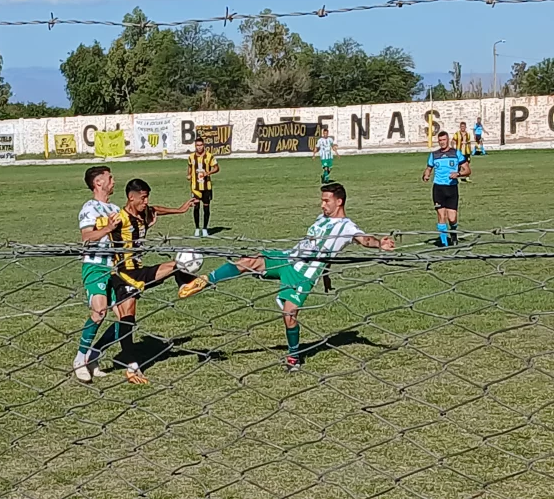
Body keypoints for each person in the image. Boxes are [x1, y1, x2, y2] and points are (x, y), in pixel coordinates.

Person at [179, 183, 395, 372]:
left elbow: (364, 239)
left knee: (289, 314)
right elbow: (322, 248)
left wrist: (379, 243)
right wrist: (327, 275)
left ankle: (294, 356)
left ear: (339, 202)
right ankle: (205, 280)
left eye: (326, 201)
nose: (322, 205)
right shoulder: (322, 219)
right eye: (321, 200)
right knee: (249, 260)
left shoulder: (346, 226)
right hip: (287, 257)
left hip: (303, 274)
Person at [89, 179, 197, 384]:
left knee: (180, 263)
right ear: (131, 197)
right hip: (121, 274)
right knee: (128, 318)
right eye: (143, 198)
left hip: (139, 271)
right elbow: (93, 230)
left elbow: (156, 209)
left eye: (147, 197)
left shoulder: (145, 213)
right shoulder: (119, 217)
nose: (146, 202)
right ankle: (131, 367)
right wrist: (96, 234)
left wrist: (180, 210)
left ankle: (185, 285)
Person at [73, 166, 122, 383]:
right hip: (95, 266)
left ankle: (94, 353)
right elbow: (86, 237)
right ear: (98, 183)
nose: (113, 180)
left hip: (116, 268)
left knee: (126, 320)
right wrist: (108, 229)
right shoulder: (89, 208)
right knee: (100, 311)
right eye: (109, 178)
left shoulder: (115, 208)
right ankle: (80, 358)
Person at [422, 131, 471, 247]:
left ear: (448, 140)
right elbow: (429, 168)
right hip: (438, 188)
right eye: (440, 140)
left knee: (452, 218)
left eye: (444, 140)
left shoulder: (456, 153)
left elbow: (468, 170)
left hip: (451, 189)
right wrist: (426, 174)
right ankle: (444, 243)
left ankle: (453, 234)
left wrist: (458, 174)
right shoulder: (434, 155)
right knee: (441, 216)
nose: (442, 142)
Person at [188, 137, 219, 238]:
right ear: (195, 146)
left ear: (204, 145)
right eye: (197, 145)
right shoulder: (191, 157)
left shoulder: (209, 156)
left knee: (206, 208)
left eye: (201, 145)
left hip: (206, 187)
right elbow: (189, 167)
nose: (199, 147)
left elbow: (217, 168)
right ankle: (197, 228)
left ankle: (205, 228)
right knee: (196, 207)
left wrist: (208, 173)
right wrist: (188, 175)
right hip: (195, 187)